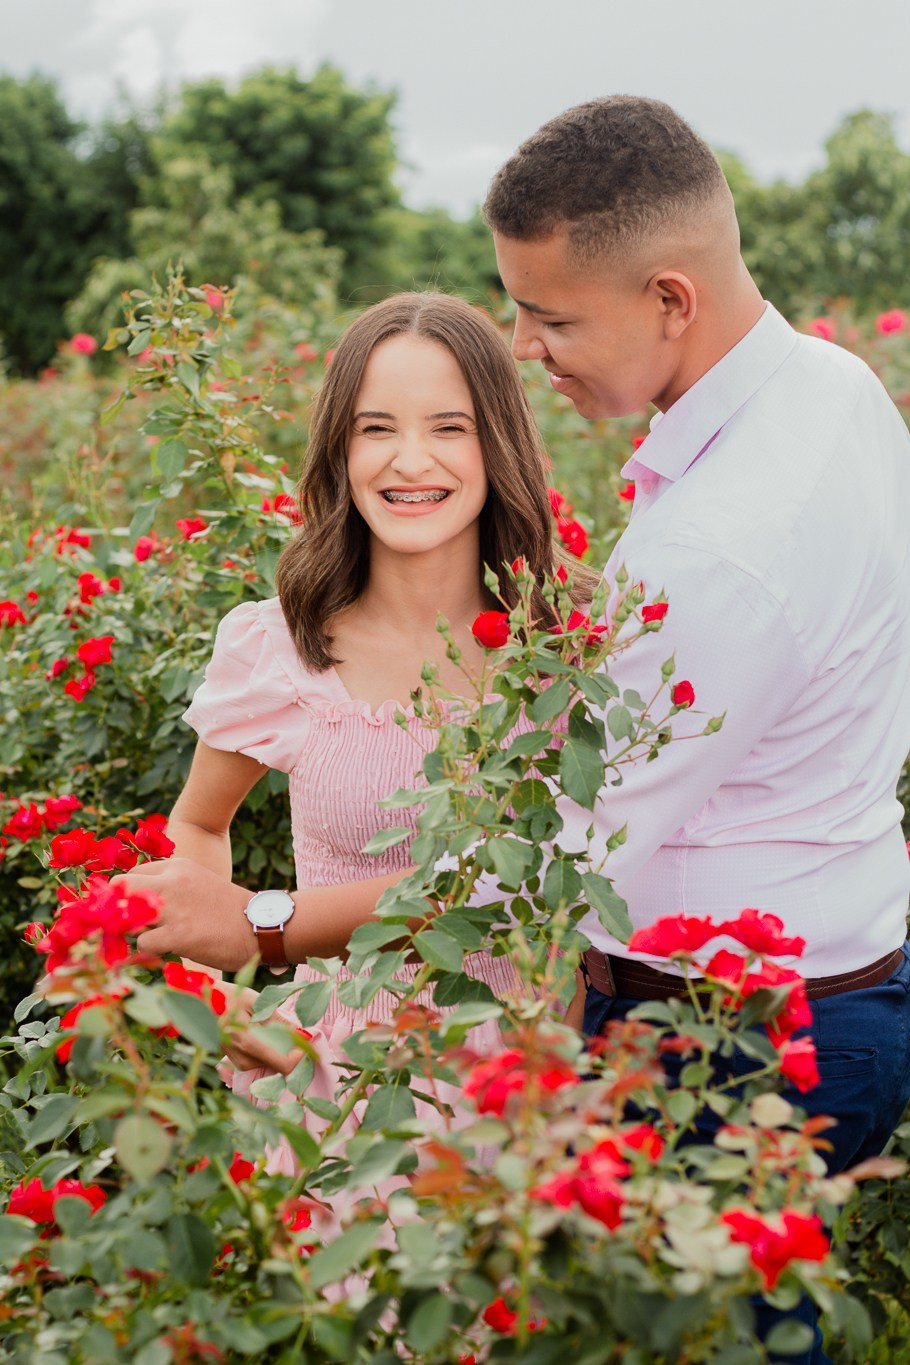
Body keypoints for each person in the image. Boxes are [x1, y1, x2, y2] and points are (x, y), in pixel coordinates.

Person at [479, 95, 910, 1363]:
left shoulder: (721, 543)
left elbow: (564, 851)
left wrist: (272, 925)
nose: (523, 347)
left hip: (729, 1050)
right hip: (839, 985)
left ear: (671, 299)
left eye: (552, 317)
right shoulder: (833, 387)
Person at [129, 290, 594, 1106]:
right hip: (336, 1097)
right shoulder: (280, 646)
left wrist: (262, 920)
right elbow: (199, 825)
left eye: (450, 427)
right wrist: (224, 1006)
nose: (410, 461)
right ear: (340, 451)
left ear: (501, 445)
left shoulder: (575, 647)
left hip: (535, 1103)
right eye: (376, 428)